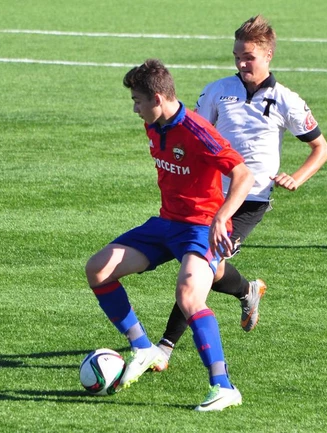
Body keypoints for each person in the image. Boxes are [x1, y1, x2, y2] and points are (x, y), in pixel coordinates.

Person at [155, 15, 327, 369]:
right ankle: (247, 290)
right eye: (237, 56)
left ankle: (165, 347)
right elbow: (193, 133)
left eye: (248, 57)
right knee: (209, 266)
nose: (241, 64)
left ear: (268, 55)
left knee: (201, 265)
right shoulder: (217, 91)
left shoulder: (286, 100)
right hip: (210, 196)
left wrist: (297, 178)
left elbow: (321, 148)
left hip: (250, 201)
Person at [84, 59, 254, 412]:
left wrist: (222, 217)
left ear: (158, 99)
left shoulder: (198, 131)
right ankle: (143, 348)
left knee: (189, 295)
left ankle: (224, 387)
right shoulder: (154, 124)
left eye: (137, 101)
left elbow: (243, 175)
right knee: (98, 269)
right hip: (166, 223)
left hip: (201, 226)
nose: (135, 109)